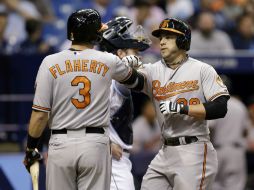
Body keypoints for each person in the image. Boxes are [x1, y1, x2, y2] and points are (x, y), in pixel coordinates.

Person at [22, 9, 144, 190]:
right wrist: (129, 65)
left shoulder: (49, 62)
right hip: (95, 144)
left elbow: (40, 115)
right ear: (95, 35)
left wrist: (32, 148)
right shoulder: (108, 60)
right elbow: (138, 82)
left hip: (60, 142)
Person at [123, 18, 230, 190]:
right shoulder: (153, 69)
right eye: (161, 37)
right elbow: (132, 80)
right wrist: (126, 66)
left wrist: (182, 108)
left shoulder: (202, 69)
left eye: (168, 37)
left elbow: (220, 107)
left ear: (182, 40)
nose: (162, 41)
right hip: (165, 150)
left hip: (193, 149)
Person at [100, 16, 151, 190]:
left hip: (105, 156)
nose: (138, 56)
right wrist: (105, 143)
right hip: (111, 161)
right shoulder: (114, 79)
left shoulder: (98, 77)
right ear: (120, 53)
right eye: (134, 51)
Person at [209, 75, 250, 190]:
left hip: (218, 150)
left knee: (214, 185)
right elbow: (245, 131)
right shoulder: (240, 105)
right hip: (236, 150)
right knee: (235, 186)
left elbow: (210, 129)